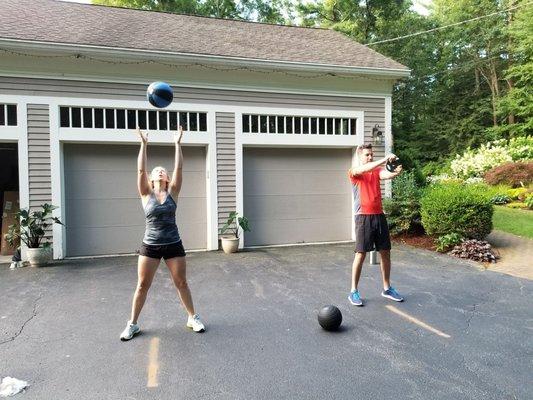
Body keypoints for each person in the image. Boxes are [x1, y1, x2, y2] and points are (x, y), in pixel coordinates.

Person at [120, 126, 205, 340]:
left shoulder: (173, 193)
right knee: (142, 285)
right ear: (151, 177)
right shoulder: (145, 193)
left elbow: (179, 170)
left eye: (163, 170)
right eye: (156, 170)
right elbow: (140, 171)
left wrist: (177, 144)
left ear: (167, 178)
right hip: (150, 245)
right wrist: (143, 144)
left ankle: (192, 317)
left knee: (181, 282)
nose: (160, 171)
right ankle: (133, 324)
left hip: (173, 243)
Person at [347, 143, 404, 306]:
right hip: (363, 217)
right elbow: (364, 169)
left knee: (385, 252)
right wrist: (384, 158)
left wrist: (395, 171)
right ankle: (353, 291)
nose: (370, 157)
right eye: (367, 155)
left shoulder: (376, 171)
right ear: (360, 157)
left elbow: (386, 174)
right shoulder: (354, 172)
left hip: (379, 216)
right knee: (361, 254)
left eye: (371, 154)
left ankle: (387, 288)